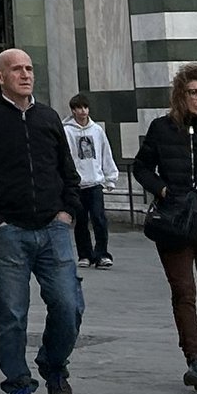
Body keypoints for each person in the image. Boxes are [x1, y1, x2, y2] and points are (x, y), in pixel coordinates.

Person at [0, 47, 83, 394]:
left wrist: (66, 210)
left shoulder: (48, 118)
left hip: (53, 227)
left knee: (69, 304)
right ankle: (18, 385)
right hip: (9, 231)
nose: (25, 75)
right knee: (12, 313)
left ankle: (54, 365)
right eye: (16, 70)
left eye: (29, 68)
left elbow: (67, 170)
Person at [132, 63, 197, 393]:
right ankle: (193, 358)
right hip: (175, 224)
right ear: (182, 95)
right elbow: (141, 167)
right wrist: (163, 190)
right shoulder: (162, 129)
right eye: (194, 93)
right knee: (183, 292)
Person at [62, 96, 114, 271]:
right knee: (81, 220)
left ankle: (102, 254)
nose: (83, 111)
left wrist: (110, 177)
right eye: (79, 108)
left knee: (99, 218)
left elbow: (105, 152)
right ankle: (85, 254)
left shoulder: (97, 130)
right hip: (77, 184)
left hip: (95, 182)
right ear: (73, 110)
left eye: (85, 107)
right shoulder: (67, 131)